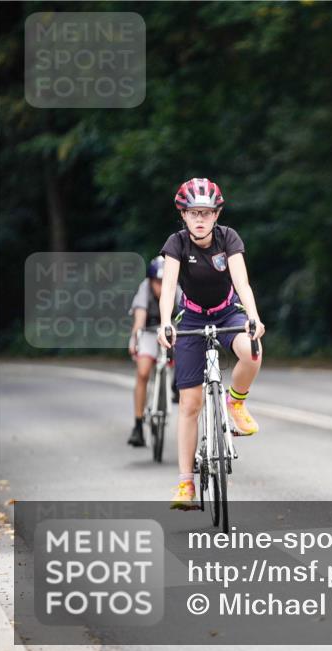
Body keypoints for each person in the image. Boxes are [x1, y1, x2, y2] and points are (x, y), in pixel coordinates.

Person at [157, 178, 266, 510]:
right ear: (184, 216)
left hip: (227, 313)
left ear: (216, 214)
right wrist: (164, 322)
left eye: (206, 213)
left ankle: (236, 403)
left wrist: (255, 317)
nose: (200, 219)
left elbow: (242, 282)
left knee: (252, 350)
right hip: (191, 318)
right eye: (193, 213)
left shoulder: (227, 238)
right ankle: (185, 484)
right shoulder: (176, 244)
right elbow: (169, 286)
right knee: (190, 405)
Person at [126, 256, 182, 447]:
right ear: (150, 281)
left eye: (164, 282)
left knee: (185, 351)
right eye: (157, 282)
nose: (161, 287)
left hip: (172, 329)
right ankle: (138, 425)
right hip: (149, 331)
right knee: (142, 373)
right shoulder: (144, 289)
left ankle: (176, 385)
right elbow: (139, 318)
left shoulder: (177, 289)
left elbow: (185, 316)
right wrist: (135, 339)